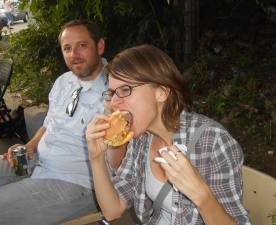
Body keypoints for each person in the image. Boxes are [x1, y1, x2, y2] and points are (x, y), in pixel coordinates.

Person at [86, 44, 251, 225]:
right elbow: (112, 210)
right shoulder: (141, 138)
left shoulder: (213, 141)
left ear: (161, 93)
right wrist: (96, 158)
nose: (114, 103)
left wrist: (202, 196)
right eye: (111, 93)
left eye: (125, 90)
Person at [0, 19, 108, 225]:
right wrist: (30, 146)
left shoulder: (116, 91)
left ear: (99, 46)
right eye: (67, 48)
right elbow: (49, 124)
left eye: (82, 45)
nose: (74, 54)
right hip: (35, 160)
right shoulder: (64, 81)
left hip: (75, 181)